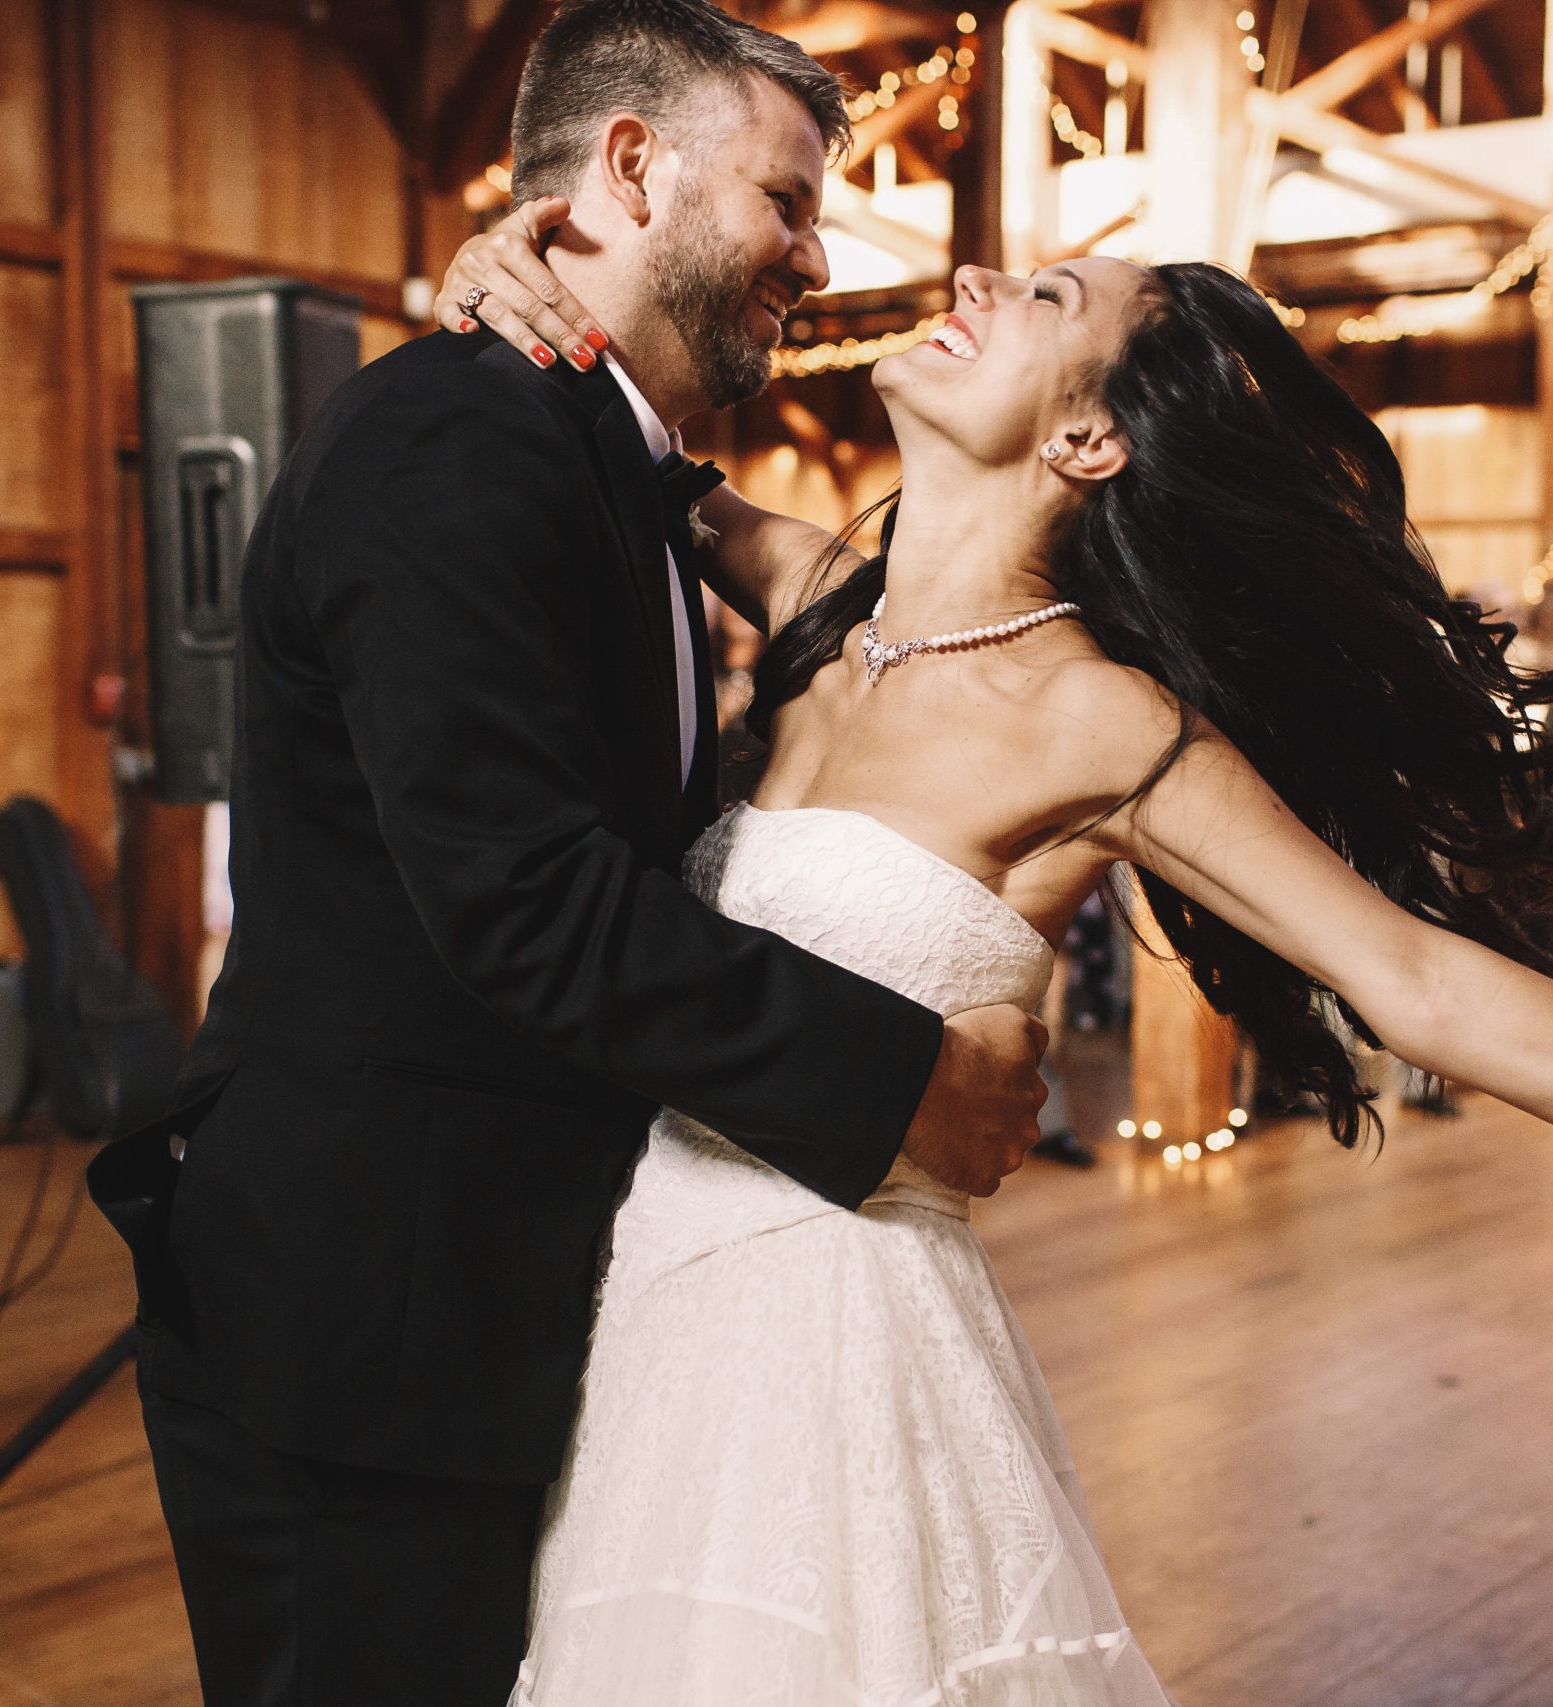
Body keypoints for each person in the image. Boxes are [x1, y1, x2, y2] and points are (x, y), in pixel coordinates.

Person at [441, 189, 1553, 1707]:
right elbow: (611, 430)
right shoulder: (812, 593)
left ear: (1089, 434)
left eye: (1046, 296)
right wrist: (498, 276)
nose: (980, 283)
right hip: (657, 1302)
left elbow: (1412, 974)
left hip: (845, 1352)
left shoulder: (1101, 718)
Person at [82, 9, 1053, 1706]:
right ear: (630, 166)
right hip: (362, 1330)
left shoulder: (610, 466)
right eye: (788, 199)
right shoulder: (448, 441)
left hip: (512, 1312)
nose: (814, 257)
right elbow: (528, 902)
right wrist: (903, 1083)